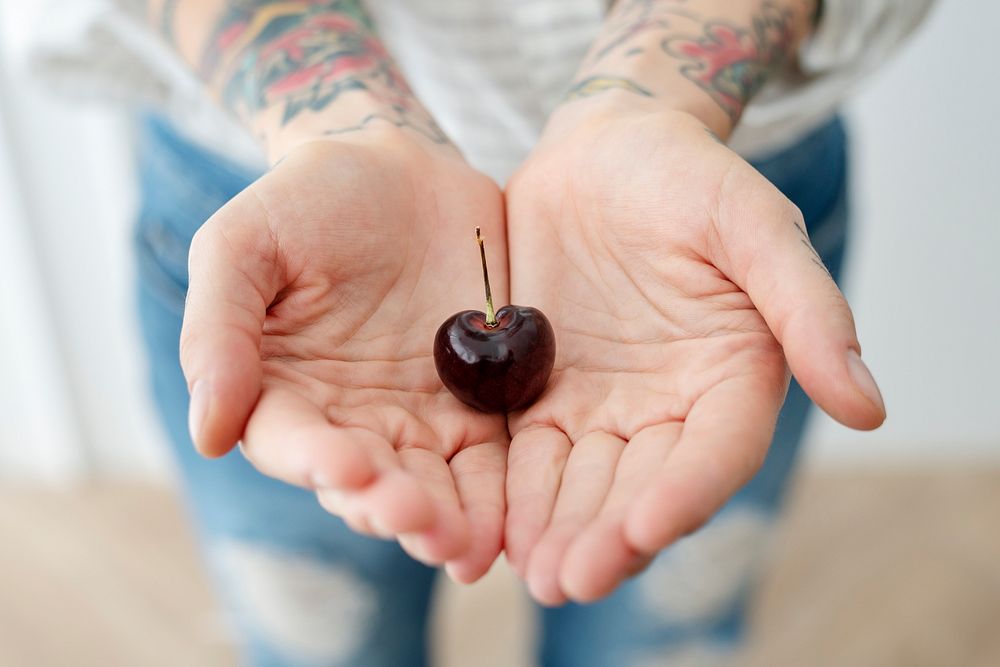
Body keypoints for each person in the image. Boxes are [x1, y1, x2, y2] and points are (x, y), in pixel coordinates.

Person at [31, 0, 933, 664]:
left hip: (704, 218)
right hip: (285, 222)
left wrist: (657, 101)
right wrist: (342, 125)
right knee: (316, 630)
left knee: (662, 631)